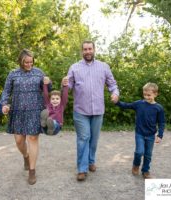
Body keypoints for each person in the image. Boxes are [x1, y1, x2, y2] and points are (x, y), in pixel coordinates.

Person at [67, 41, 120, 181]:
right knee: (83, 138)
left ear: (94, 50)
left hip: (98, 110)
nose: (88, 51)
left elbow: (112, 84)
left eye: (90, 49)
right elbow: (68, 88)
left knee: (94, 139)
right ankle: (82, 169)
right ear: (81, 51)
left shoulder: (104, 67)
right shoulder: (74, 68)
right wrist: (64, 85)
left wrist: (115, 93)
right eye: (85, 49)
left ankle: (91, 161)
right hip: (80, 110)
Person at [1, 49, 50, 185]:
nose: (29, 64)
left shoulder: (39, 73)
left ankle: (32, 171)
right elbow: (6, 91)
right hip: (17, 111)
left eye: (31, 62)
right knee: (18, 141)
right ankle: (26, 156)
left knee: (33, 138)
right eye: (26, 62)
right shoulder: (13, 74)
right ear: (21, 61)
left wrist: (48, 83)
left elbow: (47, 91)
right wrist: (5, 104)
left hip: (35, 110)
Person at [115, 82, 165, 179]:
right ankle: (136, 165)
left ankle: (145, 170)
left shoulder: (158, 108)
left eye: (149, 95)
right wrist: (117, 102)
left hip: (150, 135)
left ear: (155, 94)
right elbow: (126, 105)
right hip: (140, 134)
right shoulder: (139, 104)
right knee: (139, 152)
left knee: (148, 154)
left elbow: (161, 122)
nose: (146, 97)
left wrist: (160, 135)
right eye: (144, 95)